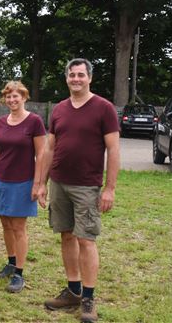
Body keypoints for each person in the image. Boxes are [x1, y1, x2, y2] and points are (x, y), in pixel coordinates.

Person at [36, 58, 120, 323]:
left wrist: (109, 188)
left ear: (90, 78)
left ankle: (88, 299)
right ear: (66, 78)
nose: (76, 79)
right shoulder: (59, 109)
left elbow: (114, 150)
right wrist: (41, 183)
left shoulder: (104, 108)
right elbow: (49, 148)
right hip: (60, 182)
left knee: (86, 239)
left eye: (81, 75)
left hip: (87, 185)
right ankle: (73, 290)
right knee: (66, 236)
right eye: (72, 75)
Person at [0, 81, 46, 293]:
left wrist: (38, 183)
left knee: (18, 228)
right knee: (6, 224)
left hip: (22, 182)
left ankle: (19, 273)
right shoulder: (1, 121)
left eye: (16, 96)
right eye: (8, 97)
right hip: (0, 180)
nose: (12, 100)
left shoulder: (34, 122)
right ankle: (10, 263)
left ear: (24, 98)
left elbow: (42, 155)